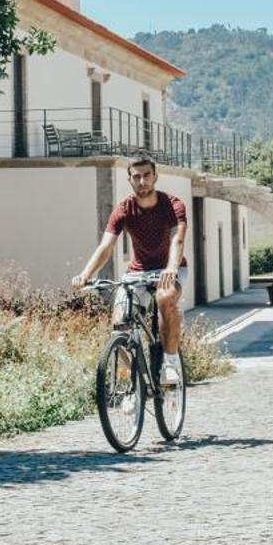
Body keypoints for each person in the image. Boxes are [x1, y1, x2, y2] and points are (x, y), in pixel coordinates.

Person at [71, 155, 188, 387]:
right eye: (136, 177)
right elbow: (106, 246)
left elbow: (178, 239)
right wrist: (86, 274)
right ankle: (135, 380)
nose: (142, 181)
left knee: (165, 297)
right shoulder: (124, 209)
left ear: (155, 176)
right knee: (119, 327)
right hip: (138, 273)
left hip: (170, 269)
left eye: (146, 176)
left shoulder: (173, 205)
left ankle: (171, 363)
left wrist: (171, 268)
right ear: (130, 180)